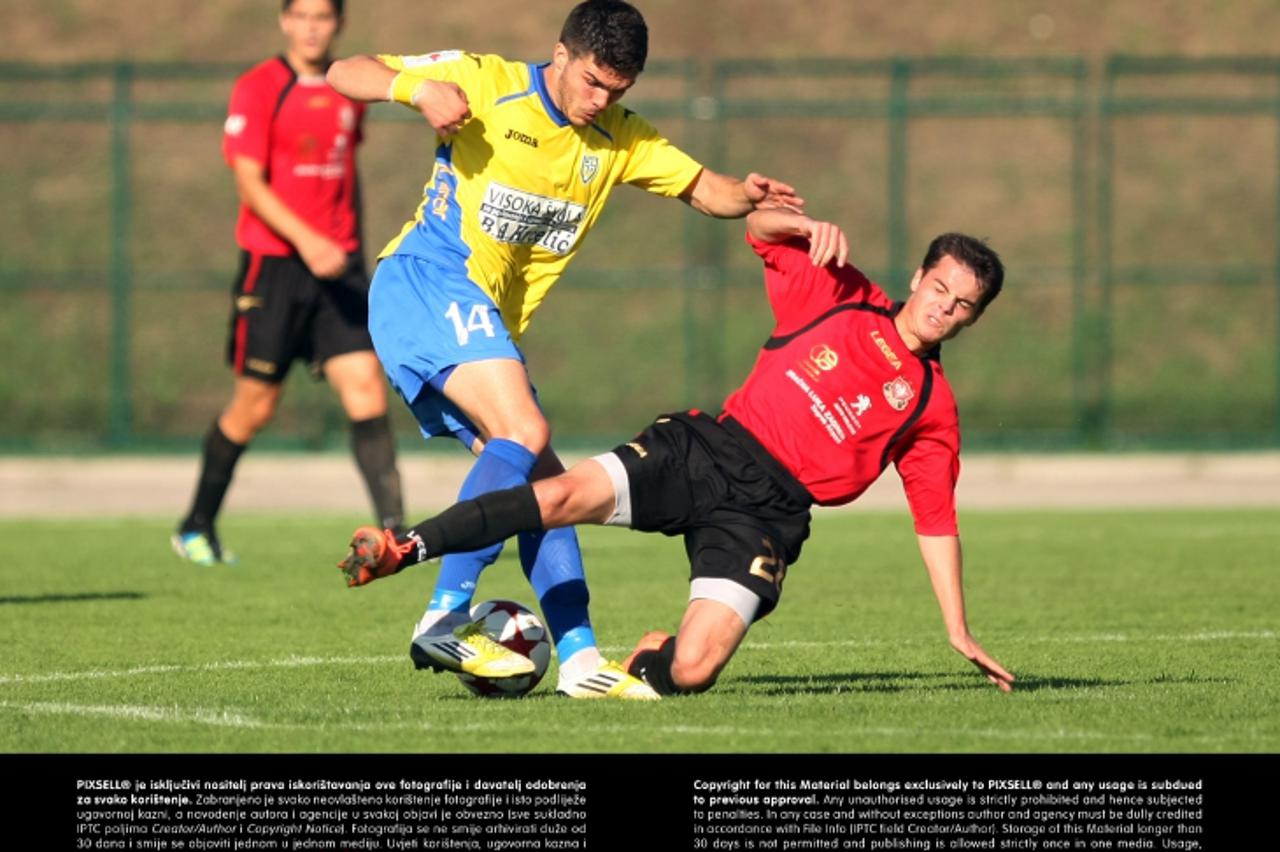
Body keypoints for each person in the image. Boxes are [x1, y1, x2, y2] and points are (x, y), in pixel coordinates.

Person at [324, 0, 802, 700]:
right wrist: (418, 89)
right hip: (427, 281)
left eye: (618, 89)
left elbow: (706, 190)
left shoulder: (620, 138)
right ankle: (444, 612)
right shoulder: (487, 82)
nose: (601, 100)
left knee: (545, 492)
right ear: (562, 53)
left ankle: (578, 660)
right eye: (593, 83)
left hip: (477, 317)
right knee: (524, 430)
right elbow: (344, 70)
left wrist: (747, 192)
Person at [339, 207, 1016, 698]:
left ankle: (643, 663)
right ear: (921, 275)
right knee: (560, 497)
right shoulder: (840, 294)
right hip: (706, 450)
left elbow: (935, 520)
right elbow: (759, 229)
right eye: (939, 290)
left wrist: (957, 629)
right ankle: (407, 548)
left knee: (693, 670)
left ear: (973, 318)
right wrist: (803, 227)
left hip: (768, 517)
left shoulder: (932, 406)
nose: (944, 309)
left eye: (962, 306)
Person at [173, 0, 405, 567]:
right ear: (284, 21)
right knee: (255, 406)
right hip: (275, 268)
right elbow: (249, 183)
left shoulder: (350, 88)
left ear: (339, 25)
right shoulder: (259, 87)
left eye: (322, 17)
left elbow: (343, 174)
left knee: (366, 389)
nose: (311, 27)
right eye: (300, 15)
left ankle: (395, 535)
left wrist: (348, 247)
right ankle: (195, 526)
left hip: (338, 270)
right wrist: (308, 241)